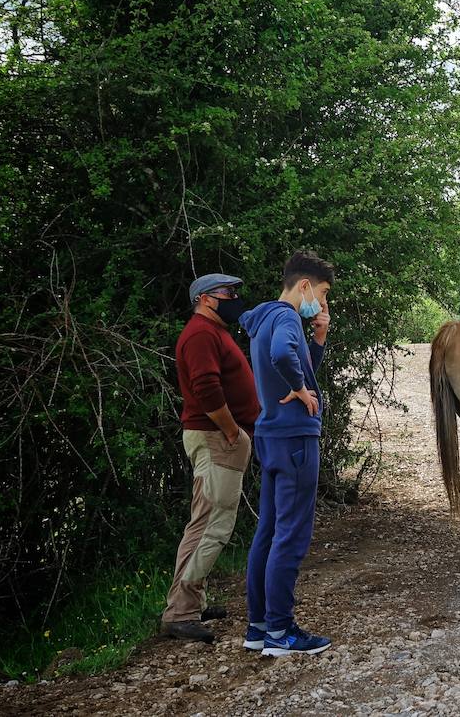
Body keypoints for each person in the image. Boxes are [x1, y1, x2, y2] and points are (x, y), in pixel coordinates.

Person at [239, 251, 335, 656]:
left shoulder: (262, 319)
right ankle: (281, 633)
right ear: (305, 286)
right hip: (295, 438)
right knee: (291, 536)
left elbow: (294, 360)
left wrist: (318, 338)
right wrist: (298, 387)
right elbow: (283, 355)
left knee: (269, 531)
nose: (323, 304)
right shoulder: (284, 318)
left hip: (270, 435)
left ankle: (259, 626)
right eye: (323, 294)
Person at [162, 273, 259, 642]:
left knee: (203, 521)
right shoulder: (201, 333)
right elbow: (205, 387)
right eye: (228, 293)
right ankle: (181, 611)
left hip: (217, 437)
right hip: (216, 438)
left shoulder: (212, 331)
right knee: (212, 525)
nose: (234, 297)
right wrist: (232, 431)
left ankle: (190, 602)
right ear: (205, 299)